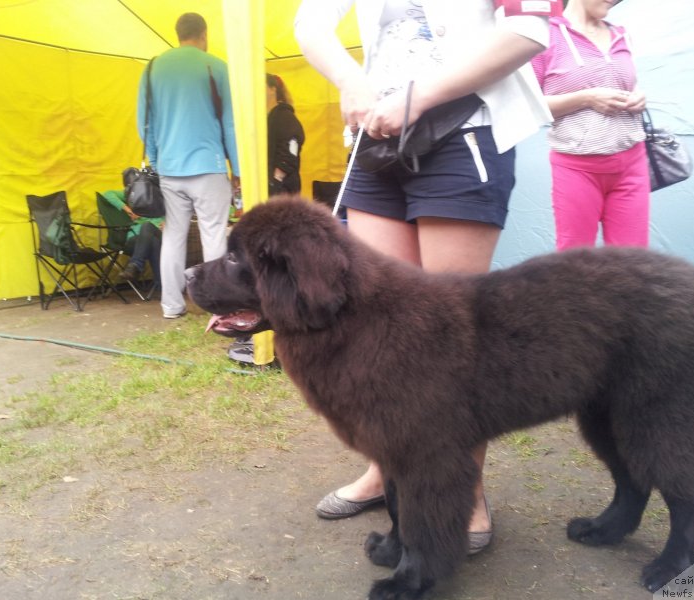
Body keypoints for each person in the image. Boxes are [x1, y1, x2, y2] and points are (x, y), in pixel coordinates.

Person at [294, 0, 561, 554]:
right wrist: (350, 80)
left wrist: (420, 98)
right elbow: (311, 22)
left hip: (463, 131)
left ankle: (467, 489)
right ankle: (383, 470)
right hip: (376, 141)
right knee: (376, 326)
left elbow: (529, 30)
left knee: (453, 335)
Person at [137, 12, 240, 320]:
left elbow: (146, 123)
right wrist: (238, 169)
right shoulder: (216, 66)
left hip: (169, 170)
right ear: (204, 35)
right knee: (213, 236)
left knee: (173, 237)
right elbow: (230, 124)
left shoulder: (153, 68)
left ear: (177, 34)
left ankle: (171, 305)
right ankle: (218, 308)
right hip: (208, 167)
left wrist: (156, 162)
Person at [531, 0, 649, 251]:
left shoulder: (621, 34)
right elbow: (528, 106)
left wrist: (638, 96)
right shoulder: (544, 35)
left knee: (634, 264)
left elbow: (626, 81)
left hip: (632, 164)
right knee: (574, 264)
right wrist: (586, 98)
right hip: (577, 168)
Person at [227, 74, 306, 365]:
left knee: (276, 256)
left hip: (279, 195)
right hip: (273, 194)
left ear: (273, 89)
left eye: (260, 87)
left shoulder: (283, 117)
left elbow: (290, 152)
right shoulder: (270, 117)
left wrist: (274, 183)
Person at [101, 189, 164, 287]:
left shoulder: (164, 197)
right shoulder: (138, 194)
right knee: (152, 240)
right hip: (135, 240)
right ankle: (162, 286)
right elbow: (108, 194)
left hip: (159, 234)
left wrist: (169, 222)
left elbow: (180, 211)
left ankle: (135, 265)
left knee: (148, 228)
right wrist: (128, 210)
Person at [266, 74, 306, 195]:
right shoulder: (265, 117)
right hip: (270, 185)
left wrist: (277, 177)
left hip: (282, 188)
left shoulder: (284, 115)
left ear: (273, 89)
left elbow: (292, 144)